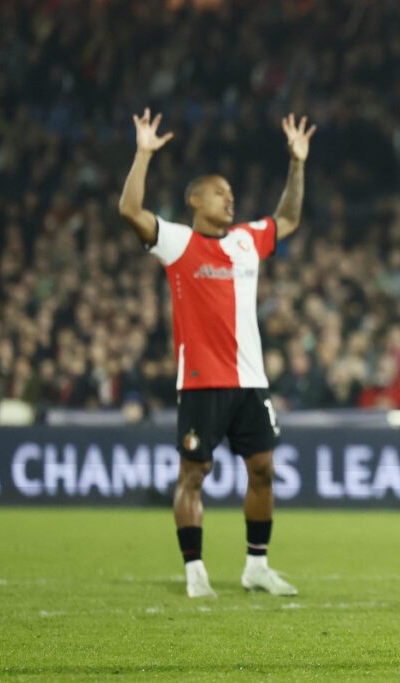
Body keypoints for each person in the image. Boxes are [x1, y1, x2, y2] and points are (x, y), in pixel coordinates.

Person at [118, 108, 316, 597]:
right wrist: (143, 155)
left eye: (231, 193)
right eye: (219, 192)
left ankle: (256, 566)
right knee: (194, 473)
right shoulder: (177, 241)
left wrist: (297, 163)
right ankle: (195, 572)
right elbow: (130, 211)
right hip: (202, 381)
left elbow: (288, 217)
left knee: (264, 470)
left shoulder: (247, 241)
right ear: (195, 200)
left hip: (251, 382)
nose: (230, 198)